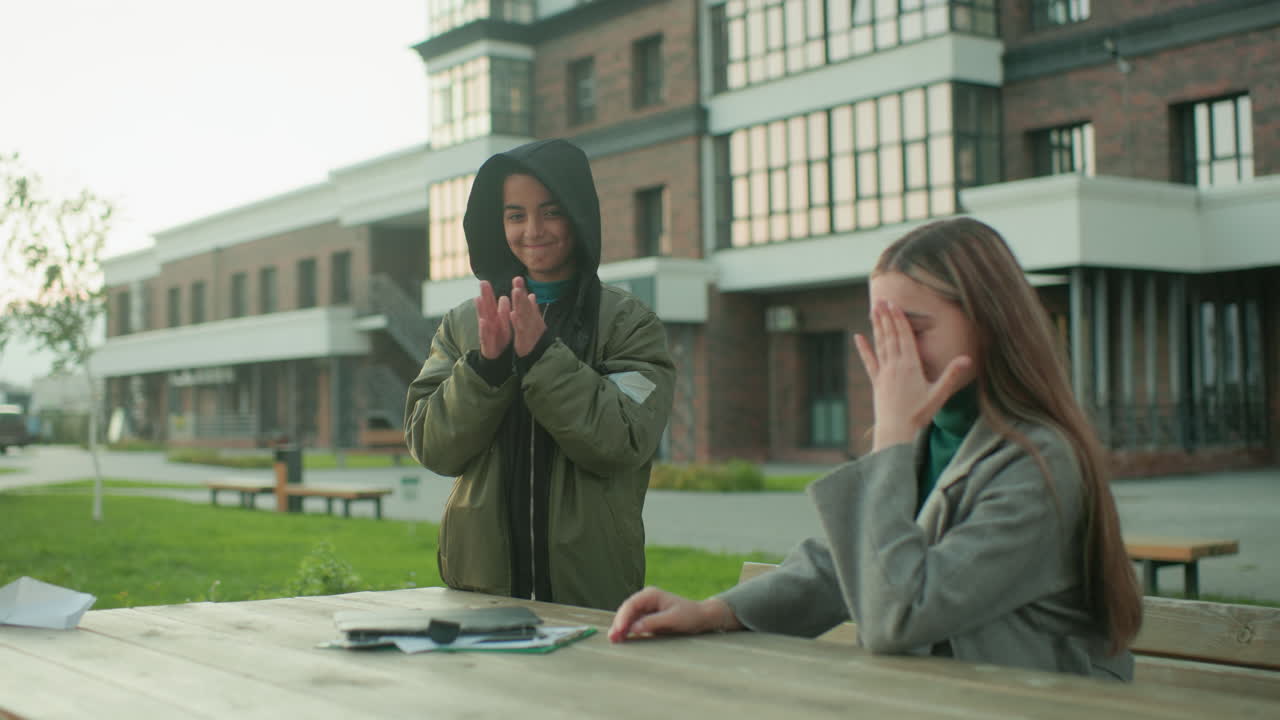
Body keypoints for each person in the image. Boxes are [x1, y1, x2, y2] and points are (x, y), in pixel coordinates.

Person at [608, 217, 1143, 680]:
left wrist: (891, 439)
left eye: (911, 328)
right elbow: (840, 564)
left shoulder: (1038, 462)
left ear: (989, 323)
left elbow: (897, 615)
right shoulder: (929, 435)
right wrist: (711, 612)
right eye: (882, 329)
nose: (895, 353)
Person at [404, 138, 675, 611]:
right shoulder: (466, 324)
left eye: (551, 212)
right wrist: (486, 369)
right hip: (477, 591)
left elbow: (623, 439)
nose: (533, 230)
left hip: (590, 593)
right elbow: (432, 445)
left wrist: (543, 355)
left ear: (579, 214)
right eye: (515, 215)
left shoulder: (627, 323)